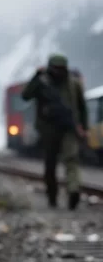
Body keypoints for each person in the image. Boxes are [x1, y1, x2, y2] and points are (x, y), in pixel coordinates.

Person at [22, 53, 87, 210]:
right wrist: (84, 127)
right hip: (64, 129)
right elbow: (82, 107)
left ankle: (55, 196)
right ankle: (73, 189)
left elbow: (26, 95)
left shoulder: (43, 81)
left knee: (52, 164)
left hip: (53, 130)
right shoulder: (73, 83)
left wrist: (36, 76)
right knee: (70, 161)